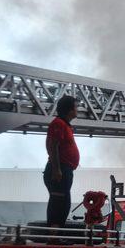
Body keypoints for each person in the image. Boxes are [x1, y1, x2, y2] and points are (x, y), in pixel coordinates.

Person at [43, 95, 79, 230]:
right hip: (60, 170)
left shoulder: (64, 125)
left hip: (64, 169)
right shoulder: (58, 123)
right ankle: (53, 236)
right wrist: (57, 169)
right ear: (69, 110)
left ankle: (56, 235)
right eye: (76, 107)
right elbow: (53, 146)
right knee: (58, 203)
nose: (77, 110)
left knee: (63, 204)